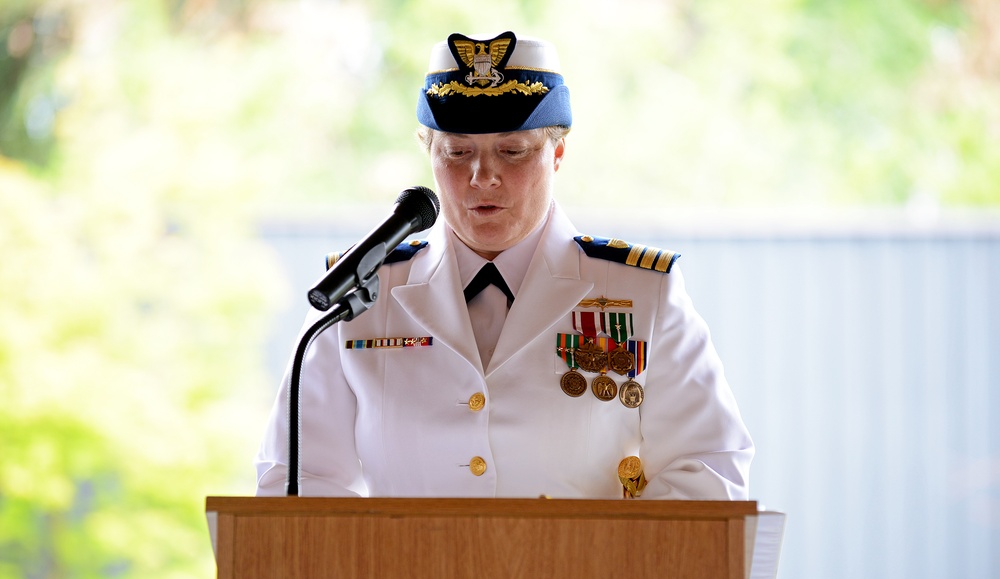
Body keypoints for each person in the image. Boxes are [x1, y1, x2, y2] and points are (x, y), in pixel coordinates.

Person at [255, 30, 753, 499]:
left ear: (557, 152)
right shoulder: (359, 296)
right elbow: (297, 483)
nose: (482, 176)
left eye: (512, 151)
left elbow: (708, 471)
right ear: (428, 151)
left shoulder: (644, 294)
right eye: (457, 152)